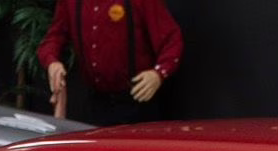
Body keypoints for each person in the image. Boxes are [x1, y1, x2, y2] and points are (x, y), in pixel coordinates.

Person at [39, 0, 183, 127]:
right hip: (95, 103)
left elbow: (172, 39)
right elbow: (54, 37)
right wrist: (52, 62)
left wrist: (158, 74)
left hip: (135, 102)